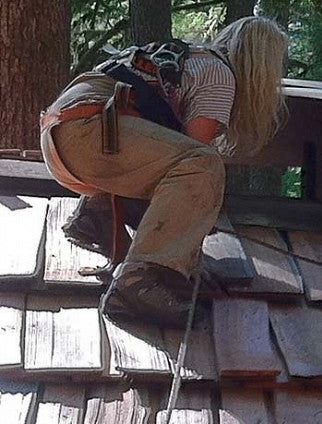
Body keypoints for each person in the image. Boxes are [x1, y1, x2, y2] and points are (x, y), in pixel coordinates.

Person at [39, 16, 290, 326]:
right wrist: (185, 236)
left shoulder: (186, 60)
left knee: (177, 162)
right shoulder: (221, 75)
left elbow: (161, 161)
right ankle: (137, 284)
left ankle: (97, 214)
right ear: (261, 67)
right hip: (92, 132)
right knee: (203, 164)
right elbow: (192, 166)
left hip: (61, 139)